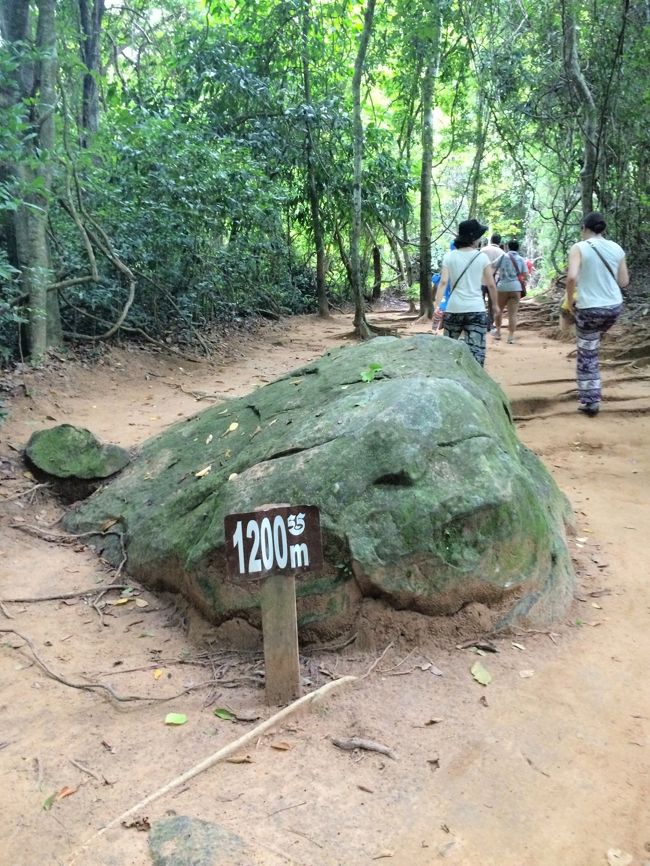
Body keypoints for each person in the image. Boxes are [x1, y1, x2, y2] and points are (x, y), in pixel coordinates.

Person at [565, 211, 629, 417]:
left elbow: (572, 277)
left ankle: (590, 401)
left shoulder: (579, 248)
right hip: (613, 308)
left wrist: (569, 300)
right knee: (592, 347)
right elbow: (624, 282)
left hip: (590, 309)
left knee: (587, 354)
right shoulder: (617, 248)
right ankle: (591, 387)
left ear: (584, 228)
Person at [433, 219, 498, 367]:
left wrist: (437, 306)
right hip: (476, 310)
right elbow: (491, 285)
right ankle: (476, 385)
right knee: (476, 353)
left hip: (454, 309)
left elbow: (443, 283)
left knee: (449, 352)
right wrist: (495, 306)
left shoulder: (449, 256)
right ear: (473, 238)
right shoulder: (482, 257)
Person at [493, 239, 527, 344]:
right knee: (513, 314)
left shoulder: (503, 256)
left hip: (502, 287)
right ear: (518, 248)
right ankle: (510, 337)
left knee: (499, 310)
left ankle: (498, 332)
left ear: (508, 247)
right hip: (515, 288)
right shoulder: (521, 259)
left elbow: (492, 265)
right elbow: (525, 274)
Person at [481, 233, 503, 330]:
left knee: (480, 302)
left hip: (481, 280)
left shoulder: (483, 250)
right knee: (492, 303)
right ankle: (490, 323)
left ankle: (481, 321)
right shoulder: (502, 253)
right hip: (494, 281)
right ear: (499, 241)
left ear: (491, 240)